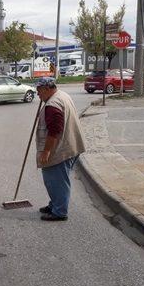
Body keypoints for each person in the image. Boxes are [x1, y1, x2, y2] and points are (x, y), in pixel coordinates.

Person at [34, 77, 86, 221]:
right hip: (72, 145)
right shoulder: (62, 95)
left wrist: (46, 151)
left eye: (39, 91)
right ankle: (55, 204)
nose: (38, 94)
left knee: (56, 181)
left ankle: (59, 212)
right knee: (56, 180)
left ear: (47, 89)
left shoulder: (52, 104)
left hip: (61, 149)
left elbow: (54, 131)